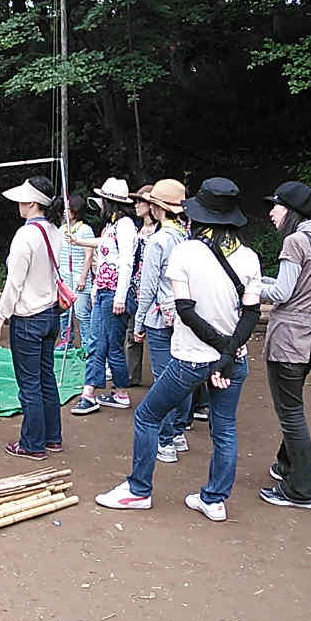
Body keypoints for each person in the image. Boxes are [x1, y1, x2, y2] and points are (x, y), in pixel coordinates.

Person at [96, 177, 262, 522]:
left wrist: (220, 351)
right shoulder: (249, 257)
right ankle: (214, 499)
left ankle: (138, 490)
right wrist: (228, 353)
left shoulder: (185, 252)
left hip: (192, 358)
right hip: (233, 360)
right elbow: (251, 314)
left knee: (147, 416)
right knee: (224, 429)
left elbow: (185, 309)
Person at [258, 181, 311, 509]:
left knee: (290, 414)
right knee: (292, 408)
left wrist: (247, 286)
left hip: (290, 341)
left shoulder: (295, 242)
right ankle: (285, 465)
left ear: (291, 210)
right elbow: (299, 288)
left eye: (276, 205)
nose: (271, 212)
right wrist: (262, 281)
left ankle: (302, 490)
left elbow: (281, 293)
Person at [0, 176, 63, 460]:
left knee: (29, 384)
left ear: (32, 203)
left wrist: (0, 316)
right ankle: (52, 437)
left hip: (29, 317)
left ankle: (32, 444)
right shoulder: (55, 231)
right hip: (50, 313)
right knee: (46, 378)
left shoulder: (25, 235)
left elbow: (14, 283)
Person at [131, 179, 190, 463]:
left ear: (158, 208)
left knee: (163, 378)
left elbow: (148, 286)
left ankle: (165, 441)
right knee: (182, 375)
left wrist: (139, 322)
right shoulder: (188, 237)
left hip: (159, 316)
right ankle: (178, 433)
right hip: (185, 315)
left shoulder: (158, 241)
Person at [70, 177, 137, 415]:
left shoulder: (126, 225)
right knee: (99, 343)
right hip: (103, 291)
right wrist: (79, 240)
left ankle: (111, 393)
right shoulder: (112, 225)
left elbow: (126, 261)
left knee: (109, 345)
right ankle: (96, 392)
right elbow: (103, 245)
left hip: (115, 294)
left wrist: (120, 296)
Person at [125, 185, 159, 386]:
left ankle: (161, 379)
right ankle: (131, 376)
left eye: (141, 201)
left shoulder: (161, 231)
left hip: (154, 290)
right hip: (134, 288)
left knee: (156, 334)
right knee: (132, 334)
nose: (136, 205)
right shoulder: (136, 229)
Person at [57, 194, 95, 351]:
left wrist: (83, 277)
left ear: (76, 210)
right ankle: (66, 342)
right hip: (64, 277)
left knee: (81, 313)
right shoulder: (62, 229)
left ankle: (88, 345)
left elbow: (89, 255)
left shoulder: (85, 230)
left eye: (68, 208)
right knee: (64, 313)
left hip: (79, 276)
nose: (65, 211)